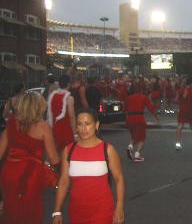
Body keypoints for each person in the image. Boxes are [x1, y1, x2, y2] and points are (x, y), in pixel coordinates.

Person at [52, 108, 125, 224]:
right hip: (77, 212)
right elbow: (64, 181)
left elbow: (119, 179)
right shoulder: (68, 150)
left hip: (102, 212)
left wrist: (119, 207)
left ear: (96, 125)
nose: (83, 129)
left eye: (87, 124)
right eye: (79, 124)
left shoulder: (108, 150)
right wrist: (57, 211)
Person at [0, 92, 60, 224]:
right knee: (31, 213)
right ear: (39, 107)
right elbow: (54, 158)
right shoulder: (43, 127)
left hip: (9, 173)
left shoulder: (11, 124)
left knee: (11, 211)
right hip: (30, 175)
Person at [125, 85, 158, 162]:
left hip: (129, 119)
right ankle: (137, 154)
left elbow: (124, 109)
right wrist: (156, 116)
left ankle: (130, 147)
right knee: (142, 138)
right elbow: (151, 108)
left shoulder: (129, 98)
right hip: (139, 118)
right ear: (142, 91)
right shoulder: (144, 97)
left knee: (134, 135)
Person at [48, 74, 76, 152]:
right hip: (66, 130)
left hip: (55, 129)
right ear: (68, 84)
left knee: (57, 153)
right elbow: (72, 117)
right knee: (68, 154)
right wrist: (75, 134)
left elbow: (50, 115)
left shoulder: (52, 96)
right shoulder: (69, 98)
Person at [175, 77, 192, 150]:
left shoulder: (181, 90)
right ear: (191, 83)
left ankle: (177, 143)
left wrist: (181, 103)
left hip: (182, 109)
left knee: (180, 126)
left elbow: (176, 100)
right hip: (190, 110)